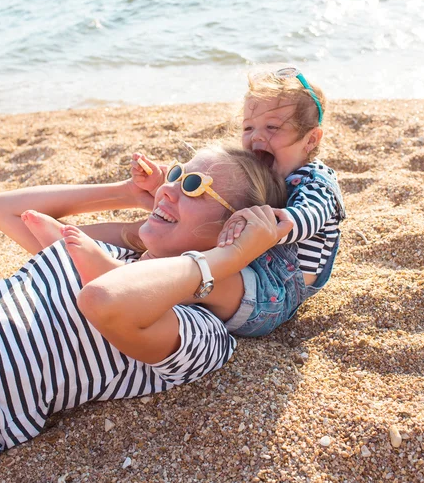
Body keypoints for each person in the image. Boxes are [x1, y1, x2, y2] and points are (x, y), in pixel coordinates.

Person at [0, 147, 290, 482]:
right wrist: (127, 192)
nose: (169, 186)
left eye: (194, 186)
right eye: (177, 173)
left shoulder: (203, 333)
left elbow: (106, 300)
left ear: (233, 230)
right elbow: (4, 209)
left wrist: (228, 260)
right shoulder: (112, 254)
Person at [132, 67, 347, 336]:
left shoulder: (316, 182)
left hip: (273, 290)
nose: (256, 136)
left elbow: (305, 217)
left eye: (272, 127)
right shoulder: (267, 170)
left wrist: (263, 225)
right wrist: (164, 185)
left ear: (310, 139)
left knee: (205, 279)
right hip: (246, 263)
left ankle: (138, 283)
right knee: (178, 246)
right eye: (248, 126)